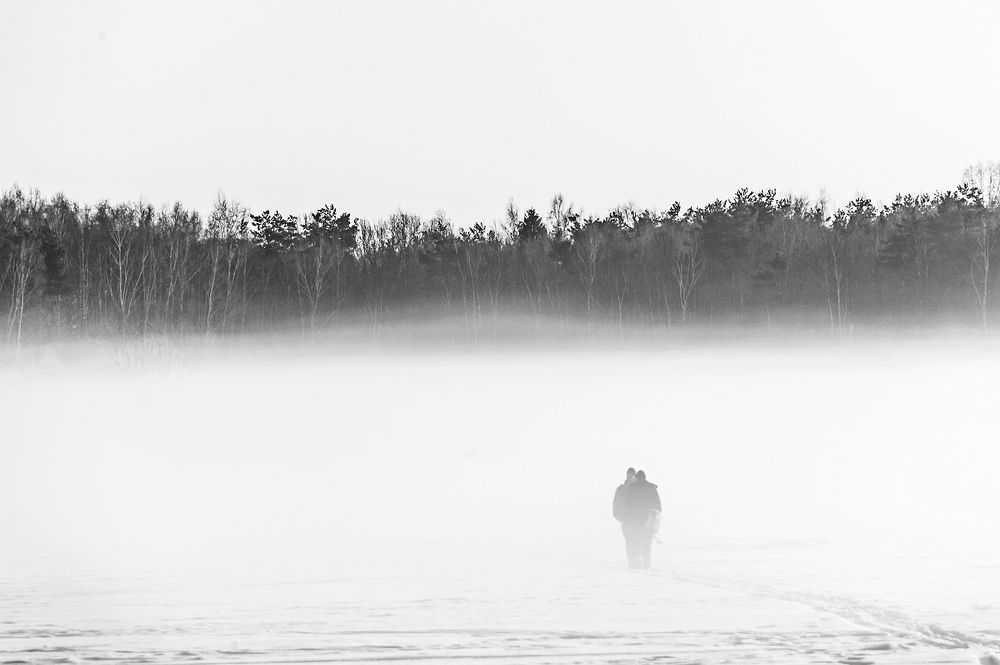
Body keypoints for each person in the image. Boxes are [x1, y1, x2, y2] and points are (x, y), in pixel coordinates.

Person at [621, 469, 661, 570]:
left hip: (635, 521)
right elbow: (658, 507)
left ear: (637, 478)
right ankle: (647, 564)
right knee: (647, 544)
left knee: (636, 542)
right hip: (648, 521)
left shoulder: (632, 488)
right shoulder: (651, 488)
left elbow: (627, 506)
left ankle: (636, 563)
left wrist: (625, 521)